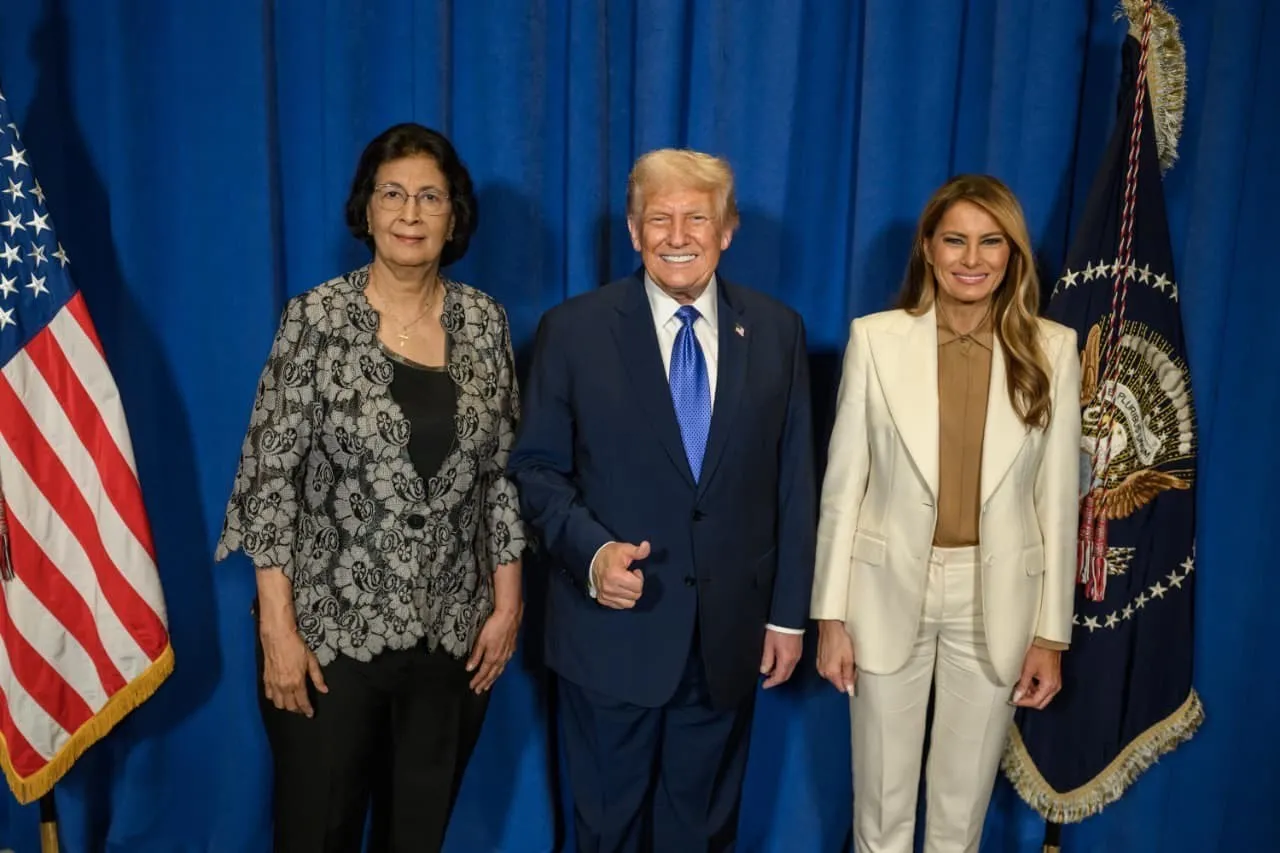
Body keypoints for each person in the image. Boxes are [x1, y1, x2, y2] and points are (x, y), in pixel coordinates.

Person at [215, 123, 526, 853]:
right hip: (327, 638)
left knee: (416, 836)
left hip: (452, 635)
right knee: (316, 832)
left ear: (454, 216)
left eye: (430, 197)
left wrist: (508, 604)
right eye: (393, 194)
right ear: (367, 208)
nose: (410, 214)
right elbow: (270, 477)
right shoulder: (314, 318)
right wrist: (276, 630)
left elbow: (502, 475)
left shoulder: (486, 322)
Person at [508, 148, 816, 852]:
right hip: (609, 635)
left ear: (727, 229)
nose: (677, 236)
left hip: (727, 639)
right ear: (632, 229)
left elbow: (795, 481)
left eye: (697, 219)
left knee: (701, 834)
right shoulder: (573, 330)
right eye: (659, 218)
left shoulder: (777, 330)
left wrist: (787, 616)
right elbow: (535, 468)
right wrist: (592, 554)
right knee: (606, 832)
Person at [810, 174, 1081, 853]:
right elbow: (844, 488)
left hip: (995, 598)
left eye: (991, 242)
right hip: (883, 589)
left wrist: (1051, 635)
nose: (972, 258)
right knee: (881, 807)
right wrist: (830, 615)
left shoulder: (1053, 349)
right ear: (928, 248)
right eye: (955, 240)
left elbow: (1057, 501)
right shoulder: (875, 340)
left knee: (961, 815)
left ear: (1012, 254)